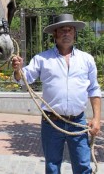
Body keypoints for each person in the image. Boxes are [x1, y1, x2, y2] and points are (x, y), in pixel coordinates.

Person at [11, 13, 102, 174]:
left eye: (70, 30)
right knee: (52, 167)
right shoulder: (42, 59)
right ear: (55, 34)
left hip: (78, 123)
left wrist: (96, 119)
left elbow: (94, 90)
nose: (66, 33)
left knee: (83, 166)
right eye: (62, 30)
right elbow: (24, 79)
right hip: (51, 123)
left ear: (74, 33)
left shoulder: (86, 59)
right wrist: (18, 70)